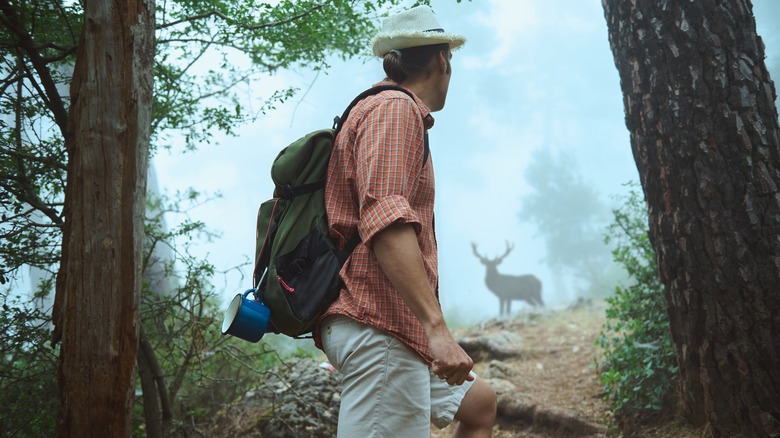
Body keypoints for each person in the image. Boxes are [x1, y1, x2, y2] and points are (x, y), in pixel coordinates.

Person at [314, 5, 497, 438]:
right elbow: (386, 222)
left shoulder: (379, 107)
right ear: (441, 59)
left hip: (387, 322)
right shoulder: (395, 111)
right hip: (379, 324)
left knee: (478, 405)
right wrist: (438, 331)